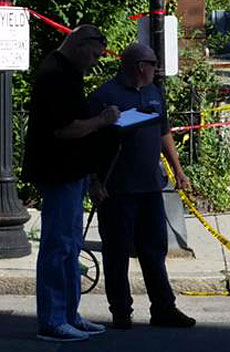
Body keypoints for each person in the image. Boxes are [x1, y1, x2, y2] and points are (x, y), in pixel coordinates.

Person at [22, 25, 119, 342]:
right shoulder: (55, 76)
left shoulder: (69, 72)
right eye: (93, 54)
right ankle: (52, 320)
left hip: (72, 170)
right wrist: (102, 121)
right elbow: (65, 130)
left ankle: (69, 314)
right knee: (58, 246)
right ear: (78, 44)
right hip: (58, 171)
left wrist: (91, 174)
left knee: (70, 246)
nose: (94, 61)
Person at [87, 43, 195, 330]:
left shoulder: (153, 92)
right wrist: (94, 181)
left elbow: (164, 133)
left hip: (150, 188)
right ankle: (121, 311)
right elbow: (88, 144)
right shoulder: (104, 97)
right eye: (153, 64)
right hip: (117, 190)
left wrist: (178, 171)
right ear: (139, 66)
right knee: (117, 252)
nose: (156, 69)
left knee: (153, 250)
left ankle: (164, 308)